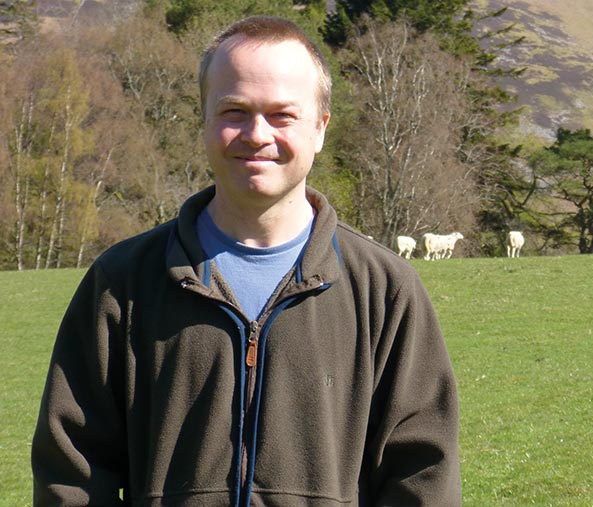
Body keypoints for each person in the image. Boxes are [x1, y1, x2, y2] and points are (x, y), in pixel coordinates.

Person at [32, 15, 461, 506]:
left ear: (320, 128)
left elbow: (423, 476)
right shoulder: (122, 283)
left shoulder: (385, 290)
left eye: (282, 115)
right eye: (234, 111)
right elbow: (73, 474)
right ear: (204, 120)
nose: (256, 134)